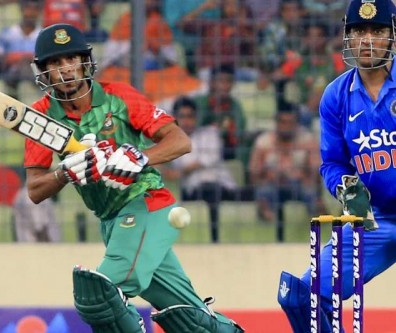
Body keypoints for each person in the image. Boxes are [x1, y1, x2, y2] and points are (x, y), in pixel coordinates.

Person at [24, 23, 244, 332]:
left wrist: (139, 157)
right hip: (112, 221)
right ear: (44, 71)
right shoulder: (41, 116)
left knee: (100, 295)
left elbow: (179, 141)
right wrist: (64, 174)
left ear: (85, 62)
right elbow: (34, 189)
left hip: (147, 204)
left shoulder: (119, 97)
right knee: (194, 321)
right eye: (56, 63)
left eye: (72, 60)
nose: (66, 69)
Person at [277, 0, 396, 332]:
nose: (367, 39)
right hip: (378, 220)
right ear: (347, 37)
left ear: (393, 37)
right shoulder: (336, 95)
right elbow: (332, 163)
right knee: (303, 297)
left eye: (377, 30)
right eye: (359, 31)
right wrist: (346, 187)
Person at [161, 96, 252, 243]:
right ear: (175, 119)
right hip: (194, 190)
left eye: (190, 116)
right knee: (209, 192)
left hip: (222, 185)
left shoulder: (209, 133)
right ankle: (214, 241)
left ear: (196, 118)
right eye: (182, 116)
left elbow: (209, 157)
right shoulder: (170, 141)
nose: (186, 121)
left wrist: (180, 172)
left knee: (247, 193)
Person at [248, 104, 323, 224]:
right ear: (276, 123)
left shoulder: (308, 141)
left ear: (297, 124)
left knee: (311, 194)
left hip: (300, 184)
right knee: (264, 193)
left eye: (290, 123)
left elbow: (316, 171)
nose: (286, 127)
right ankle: (268, 223)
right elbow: (253, 172)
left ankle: (317, 221)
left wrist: (302, 174)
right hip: (272, 183)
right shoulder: (263, 142)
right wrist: (267, 174)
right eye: (282, 122)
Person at [193, 66, 247, 160]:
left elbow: (239, 133)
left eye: (229, 81)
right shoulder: (199, 103)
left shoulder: (235, 106)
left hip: (228, 155)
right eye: (221, 81)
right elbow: (192, 129)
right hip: (197, 152)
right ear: (211, 83)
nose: (225, 86)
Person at [0, 0, 42, 99]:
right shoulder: (8, 32)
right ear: (21, 9)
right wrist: (19, 58)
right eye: (28, 8)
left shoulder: (43, 35)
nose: (31, 13)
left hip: (35, 72)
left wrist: (28, 59)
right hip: (12, 71)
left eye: (35, 9)